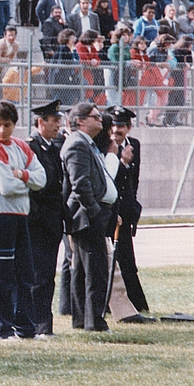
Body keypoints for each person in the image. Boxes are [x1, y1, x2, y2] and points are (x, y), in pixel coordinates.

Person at [0, 100, 47, 341]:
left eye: (7, 125)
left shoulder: (20, 146)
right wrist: (26, 183)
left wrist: (21, 175)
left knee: (23, 274)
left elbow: (41, 179)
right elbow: (4, 186)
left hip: (20, 216)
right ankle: (2, 329)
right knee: (1, 275)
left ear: (14, 125)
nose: (2, 130)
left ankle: (25, 328)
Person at [60, 101, 115, 332]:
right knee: (95, 270)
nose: (100, 119)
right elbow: (80, 184)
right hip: (86, 216)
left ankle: (83, 319)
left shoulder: (86, 143)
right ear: (80, 121)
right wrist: (95, 212)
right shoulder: (77, 144)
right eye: (94, 116)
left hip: (90, 214)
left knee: (84, 269)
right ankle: (94, 322)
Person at [26, 100, 66, 336]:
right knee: (38, 276)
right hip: (38, 222)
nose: (58, 126)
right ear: (41, 122)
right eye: (54, 121)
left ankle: (44, 325)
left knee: (47, 276)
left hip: (52, 221)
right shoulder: (31, 148)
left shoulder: (51, 147)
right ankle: (38, 325)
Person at [109, 106, 149, 313]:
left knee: (127, 261)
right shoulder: (105, 146)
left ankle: (136, 303)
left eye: (121, 126)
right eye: (114, 125)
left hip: (126, 210)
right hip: (110, 210)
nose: (116, 130)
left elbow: (135, 179)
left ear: (129, 127)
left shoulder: (134, 145)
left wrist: (132, 207)